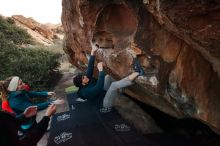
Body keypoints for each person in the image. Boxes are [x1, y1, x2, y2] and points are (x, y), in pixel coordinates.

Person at [73, 43, 144, 108]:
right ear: (83, 83)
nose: (85, 76)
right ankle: (138, 73)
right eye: (83, 77)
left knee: (108, 77)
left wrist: (93, 51)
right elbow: (99, 86)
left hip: (103, 92)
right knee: (113, 85)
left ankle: (121, 89)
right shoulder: (86, 92)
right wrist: (101, 70)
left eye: (83, 75)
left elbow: (90, 67)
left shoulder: (86, 79)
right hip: (105, 103)